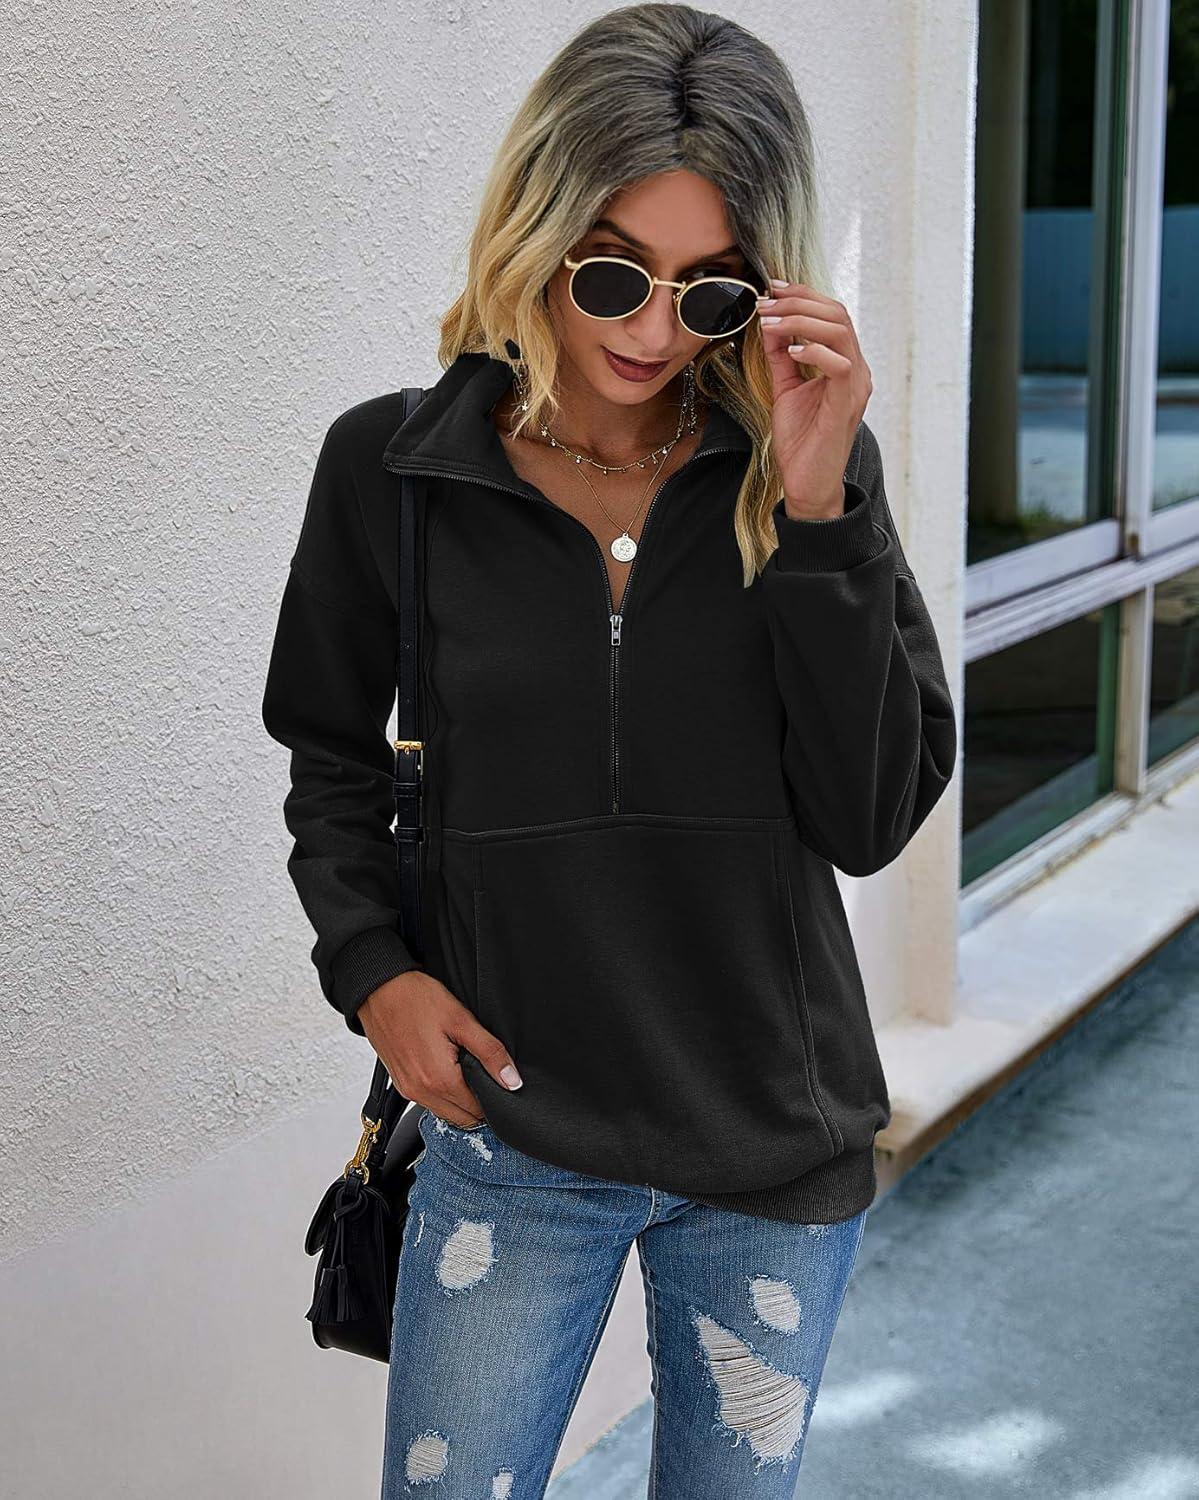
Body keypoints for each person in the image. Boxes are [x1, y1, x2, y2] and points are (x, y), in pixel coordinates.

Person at [261, 4, 957, 1494]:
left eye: (710, 292)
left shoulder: (806, 476)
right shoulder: (394, 471)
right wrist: (374, 975)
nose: (651, 332)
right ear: (538, 232)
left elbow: (870, 815)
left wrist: (818, 506)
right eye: (612, 274)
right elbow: (328, 755)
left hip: (773, 1148)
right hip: (514, 1141)